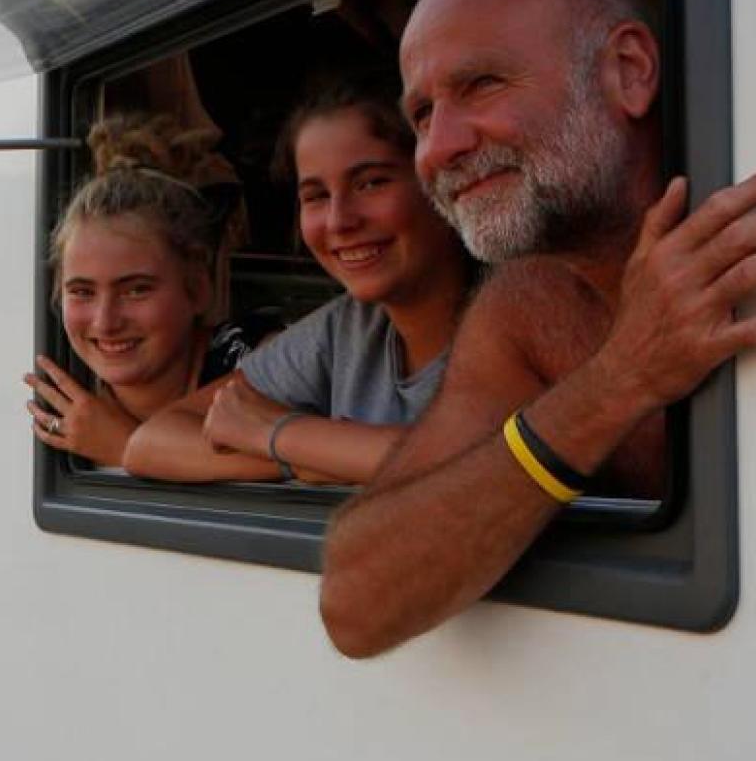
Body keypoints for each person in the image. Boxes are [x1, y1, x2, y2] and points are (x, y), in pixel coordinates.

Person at [318, 0, 756, 658]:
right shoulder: (528, 305)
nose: (438, 149)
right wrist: (618, 380)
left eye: (480, 84)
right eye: (421, 115)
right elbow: (358, 603)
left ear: (627, 71)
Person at [121, 78, 475, 483]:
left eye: (372, 182)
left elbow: (491, 465)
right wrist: (313, 456)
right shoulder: (349, 326)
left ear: (440, 184)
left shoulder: (511, 320)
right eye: (316, 196)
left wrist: (277, 433)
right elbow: (151, 442)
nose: (341, 220)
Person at [24, 114, 248, 467]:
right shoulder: (58, 410)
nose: (105, 322)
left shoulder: (260, 371)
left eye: (136, 290)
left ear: (198, 289)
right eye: (82, 292)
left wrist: (127, 449)